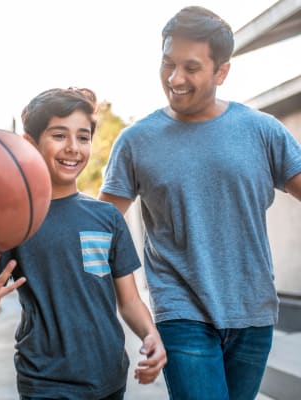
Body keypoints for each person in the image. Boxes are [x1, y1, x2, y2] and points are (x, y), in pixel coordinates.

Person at [99, 6, 301, 400]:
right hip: (181, 312)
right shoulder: (136, 142)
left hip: (253, 312)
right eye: (168, 63)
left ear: (221, 72)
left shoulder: (262, 132)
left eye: (191, 67)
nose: (175, 79)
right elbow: (99, 225)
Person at [0, 87, 167, 400]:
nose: (73, 148)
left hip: (110, 376)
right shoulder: (11, 221)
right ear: (30, 144)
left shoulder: (107, 217)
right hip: (46, 381)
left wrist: (150, 333)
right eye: (59, 135)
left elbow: (129, 300)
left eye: (84, 137)